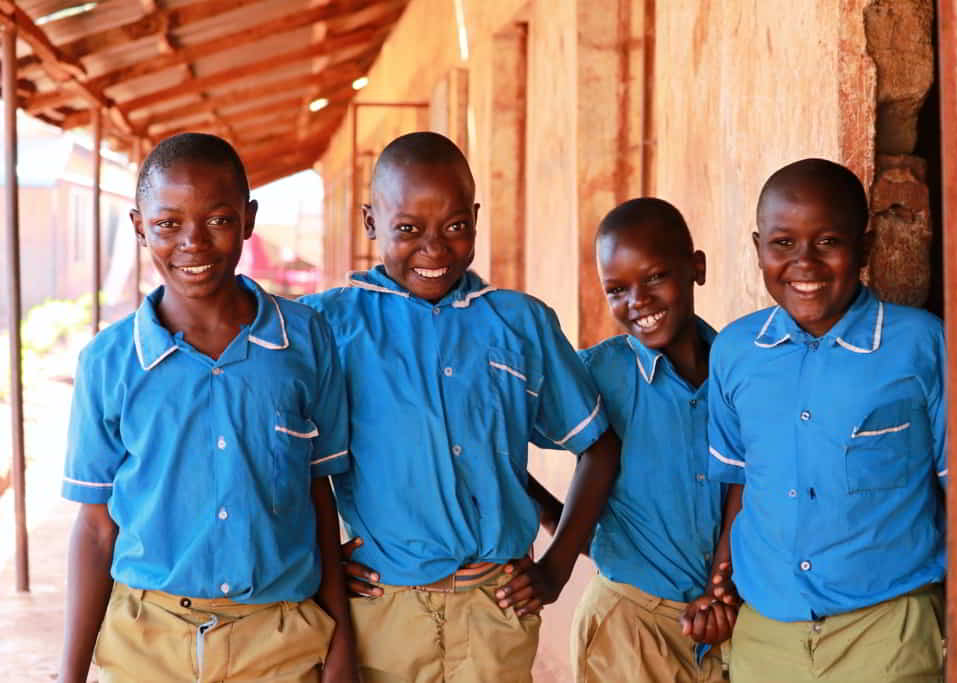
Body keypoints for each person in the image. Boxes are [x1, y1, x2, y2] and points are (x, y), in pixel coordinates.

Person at [301, 131, 621, 682]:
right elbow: (291, 462)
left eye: (455, 227)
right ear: (370, 222)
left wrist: (558, 566)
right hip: (382, 612)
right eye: (407, 229)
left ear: (475, 218)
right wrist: (320, 563)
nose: (434, 248)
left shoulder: (519, 324)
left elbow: (599, 446)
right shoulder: (327, 327)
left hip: (495, 612)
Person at [59, 133, 358, 683]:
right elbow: (96, 526)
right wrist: (70, 673)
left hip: (278, 642)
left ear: (247, 219)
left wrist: (341, 644)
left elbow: (320, 494)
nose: (193, 242)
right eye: (168, 223)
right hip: (146, 643)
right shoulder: (109, 360)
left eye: (218, 219)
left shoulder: (307, 341)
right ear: (138, 225)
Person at [707, 158, 947, 682]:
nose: (805, 263)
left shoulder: (921, 345)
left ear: (865, 247)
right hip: (767, 634)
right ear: (758, 249)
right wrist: (721, 577)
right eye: (783, 244)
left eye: (828, 242)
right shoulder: (735, 351)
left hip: (886, 633)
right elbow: (741, 480)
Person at [524, 197, 742, 682]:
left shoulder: (740, 368)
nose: (637, 301)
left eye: (656, 277)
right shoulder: (597, 375)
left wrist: (725, 588)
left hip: (727, 625)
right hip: (629, 626)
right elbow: (493, 435)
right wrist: (559, 533)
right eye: (617, 289)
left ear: (696, 268)